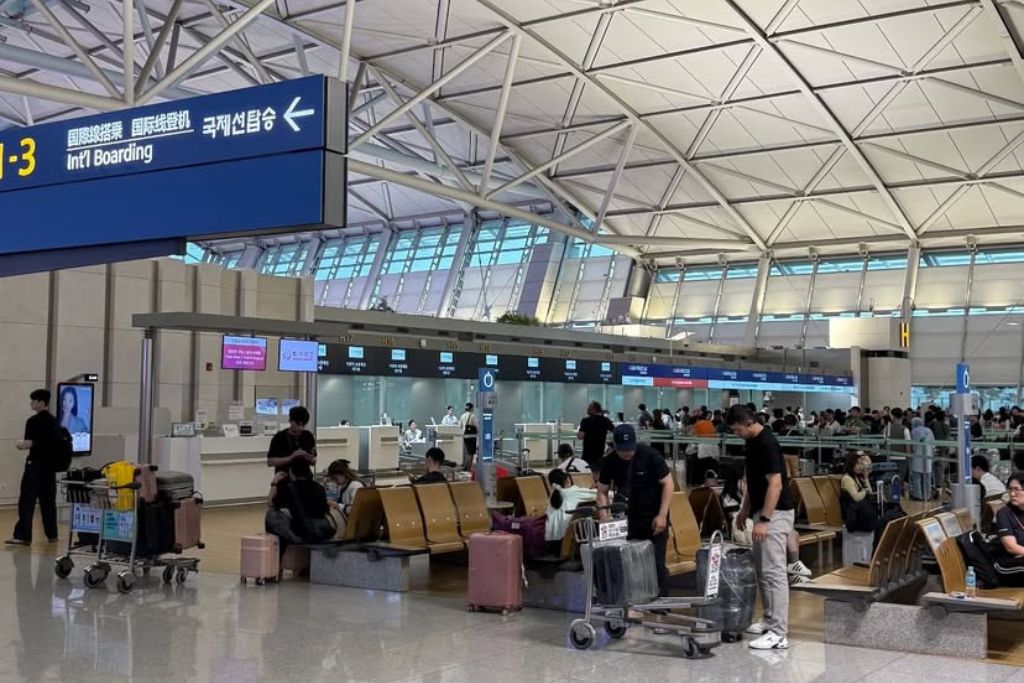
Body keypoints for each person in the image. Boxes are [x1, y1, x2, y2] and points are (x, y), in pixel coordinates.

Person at [727, 404, 795, 651]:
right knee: (763, 570)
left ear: (747, 422)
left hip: (775, 514)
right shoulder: (752, 443)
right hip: (761, 511)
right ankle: (769, 619)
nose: (737, 434)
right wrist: (745, 509)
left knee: (774, 572)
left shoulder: (767, 443)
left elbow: (775, 485)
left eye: (737, 430)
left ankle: (779, 633)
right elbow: (753, 480)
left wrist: (765, 520)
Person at [596, 424, 673, 597]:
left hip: (653, 517)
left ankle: (660, 605)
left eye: (630, 449)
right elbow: (602, 491)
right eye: (622, 450)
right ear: (614, 446)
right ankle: (633, 600)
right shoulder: (609, 461)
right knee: (628, 562)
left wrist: (662, 515)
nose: (627, 453)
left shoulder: (650, 456)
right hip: (627, 520)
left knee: (656, 563)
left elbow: (668, 484)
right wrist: (604, 516)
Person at [7, 389, 59, 546]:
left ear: (41, 403)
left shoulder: (33, 422)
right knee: (48, 501)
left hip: (35, 465)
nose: (31, 403)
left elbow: (29, 443)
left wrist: (20, 445)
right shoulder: (54, 421)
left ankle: (23, 536)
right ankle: (52, 534)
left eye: (34, 401)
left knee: (27, 501)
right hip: (49, 467)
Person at [265, 460, 333, 557]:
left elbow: (270, 503)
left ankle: (277, 557)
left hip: (301, 533)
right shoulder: (319, 488)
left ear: (292, 473)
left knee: (271, 514)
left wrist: (274, 483)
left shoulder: (288, 489)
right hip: (321, 531)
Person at [544, 469, 597, 551]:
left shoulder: (554, 495)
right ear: (567, 480)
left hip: (551, 542)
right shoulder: (572, 492)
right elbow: (600, 494)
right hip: (566, 541)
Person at [267, 406, 317, 476]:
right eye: (297, 424)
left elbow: (313, 461)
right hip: (284, 478)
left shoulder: (308, 436)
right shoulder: (279, 437)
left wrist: (307, 457)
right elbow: (270, 462)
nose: (300, 427)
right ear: (290, 420)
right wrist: (291, 458)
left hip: (305, 477)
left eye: (303, 425)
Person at [993, 473, 1024, 586]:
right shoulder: (1005, 513)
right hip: (1007, 564)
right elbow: (1011, 547)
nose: (1012, 494)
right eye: (1010, 489)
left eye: (1017, 489)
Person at [325, 459, 365, 537]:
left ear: (343, 474)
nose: (335, 482)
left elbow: (355, 509)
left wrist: (338, 505)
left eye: (336, 479)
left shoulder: (355, 486)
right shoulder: (343, 486)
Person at [576, 401, 614, 471]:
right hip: (600, 453)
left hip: (587, 453)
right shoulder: (605, 420)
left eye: (589, 407)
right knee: (599, 473)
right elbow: (615, 431)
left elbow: (580, 436)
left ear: (594, 409)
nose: (587, 409)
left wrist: (579, 434)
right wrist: (611, 446)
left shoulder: (585, 421)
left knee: (587, 473)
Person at [909, 417, 935, 500]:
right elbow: (933, 444)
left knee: (916, 477)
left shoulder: (914, 431)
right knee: (927, 477)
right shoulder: (929, 431)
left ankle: (918, 495)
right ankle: (927, 495)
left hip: (917, 456)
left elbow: (913, 446)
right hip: (928, 456)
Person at [460, 403, 479, 472]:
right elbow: (477, 426)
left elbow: (460, 426)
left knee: (466, 452)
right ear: (471, 408)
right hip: (472, 436)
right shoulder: (473, 416)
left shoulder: (462, 416)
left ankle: (465, 466)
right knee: (471, 453)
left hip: (465, 436)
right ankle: (468, 468)